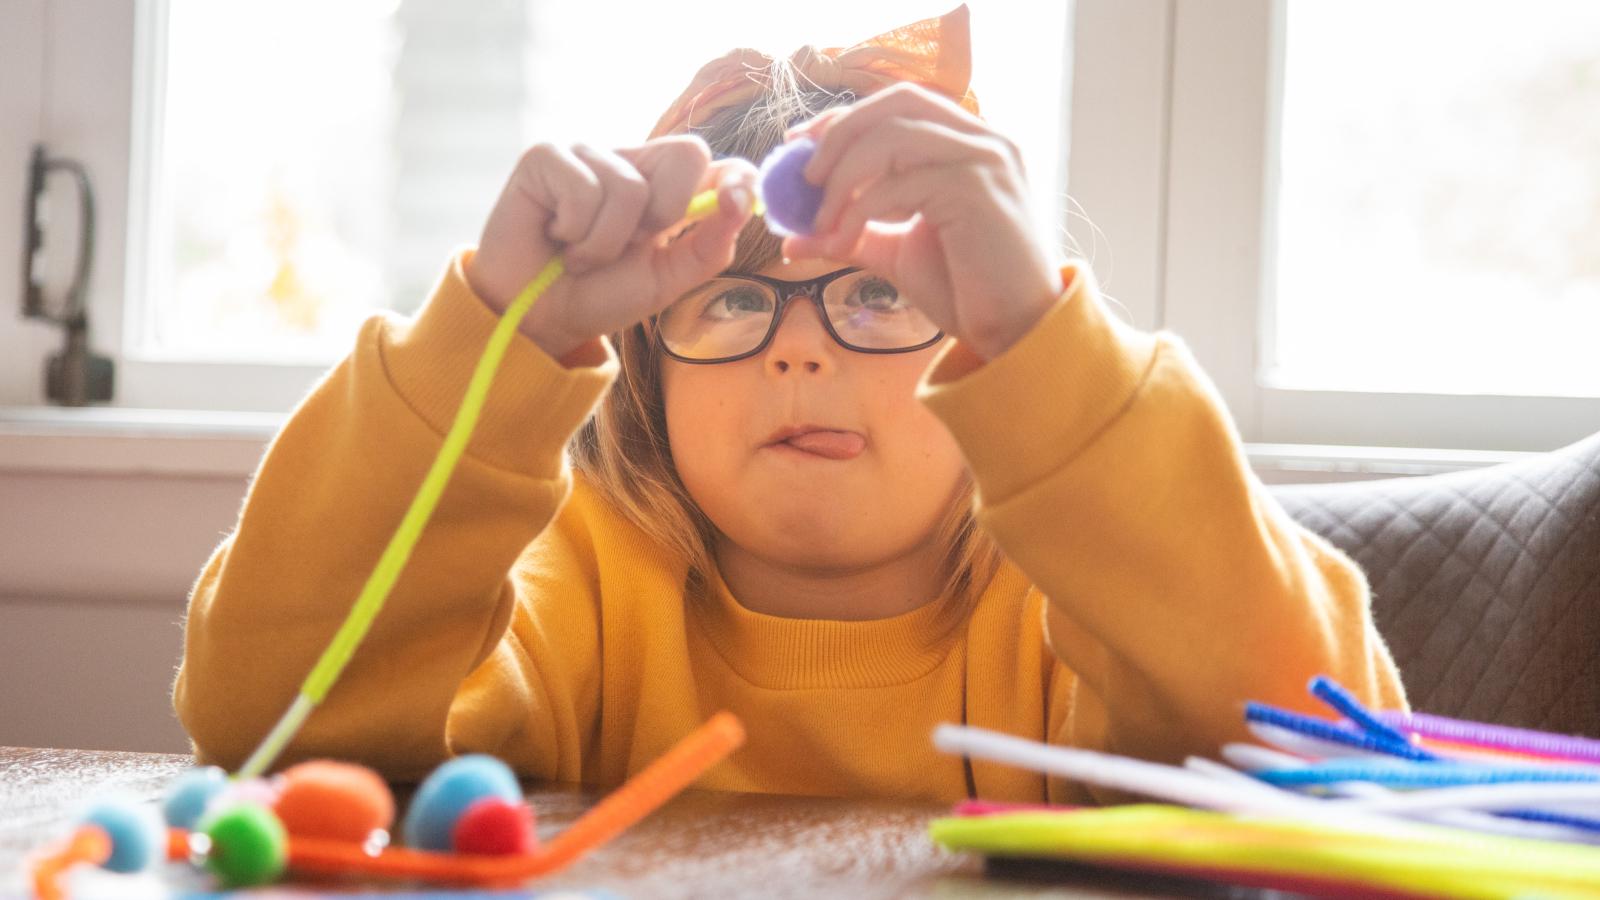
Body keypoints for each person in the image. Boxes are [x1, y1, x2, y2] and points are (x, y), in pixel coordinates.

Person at [173, 6, 1405, 803]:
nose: (800, 357)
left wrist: (1047, 342)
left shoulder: (1080, 599)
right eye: (732, 303)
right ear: (645, 371)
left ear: (982, 358)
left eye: (875, 297)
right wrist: (500, 328)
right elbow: (271, 725)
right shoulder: (579, 581)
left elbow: (1322, 751)